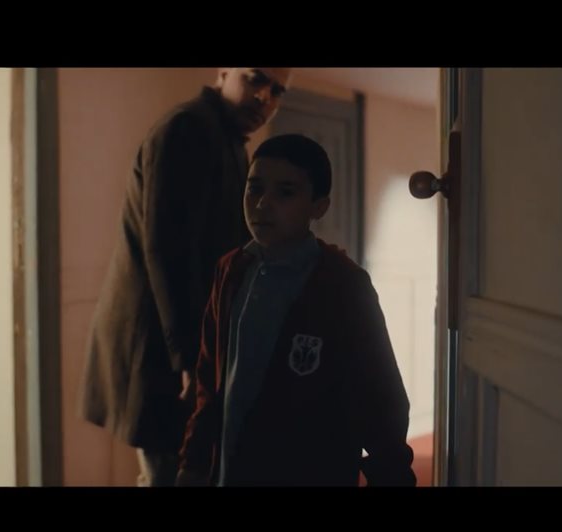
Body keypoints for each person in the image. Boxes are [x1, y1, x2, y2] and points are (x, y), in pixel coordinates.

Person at [82, 68, 295, 486]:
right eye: (255, 79)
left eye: (277, 91)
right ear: (224, 72)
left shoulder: (227, 140)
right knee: (174, 472)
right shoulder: (188, 129)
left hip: (183, 341)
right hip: (161, 345)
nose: (265, 98)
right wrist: (188, 357)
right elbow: (167, 249)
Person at [176, 133, 416, 486]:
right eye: (254, 189)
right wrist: (193, 462)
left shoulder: (342, 285)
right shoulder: (231, 270)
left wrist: (391, 474)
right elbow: (208, 379)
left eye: (285, 192)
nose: (262, 203)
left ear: (319, 206)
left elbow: (380, 398)